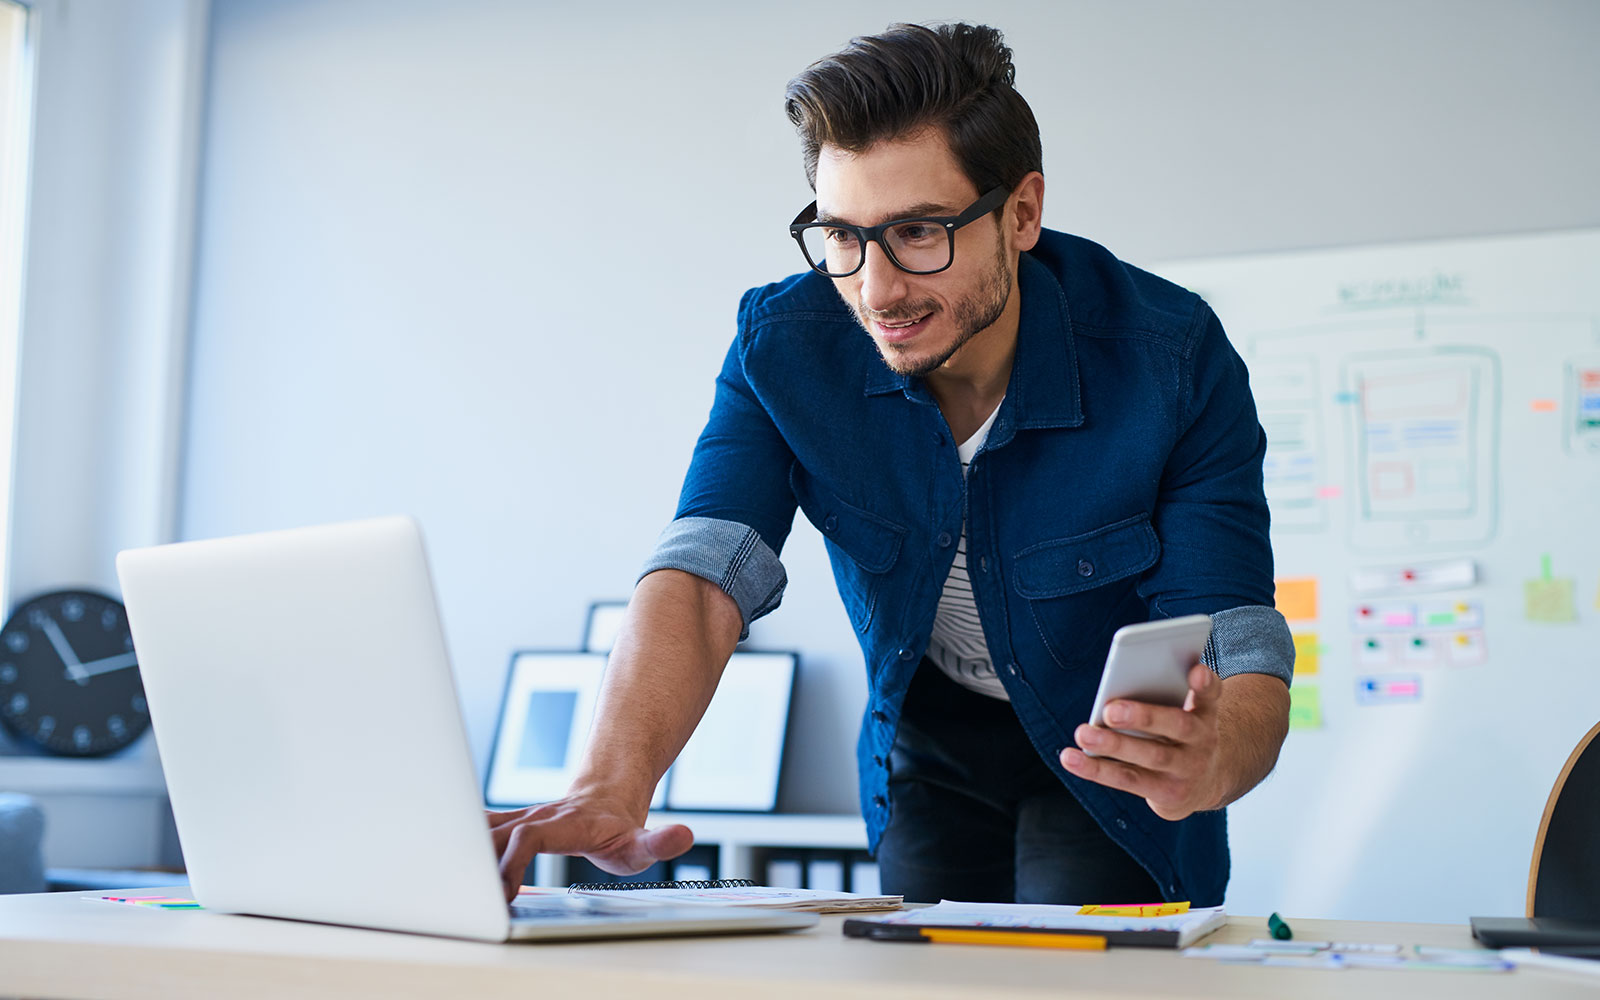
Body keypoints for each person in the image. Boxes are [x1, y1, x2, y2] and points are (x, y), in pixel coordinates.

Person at [489, 22, 1292, 906]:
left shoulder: (1171, 357)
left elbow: (1235, 628)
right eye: (841, 235)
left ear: (1021, 213)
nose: (876, 290)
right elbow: (704, 570)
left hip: (1108, 749)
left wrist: (1224, 754)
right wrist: (610, 780)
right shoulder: (784, 347)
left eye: (917, 232)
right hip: (931, 738)